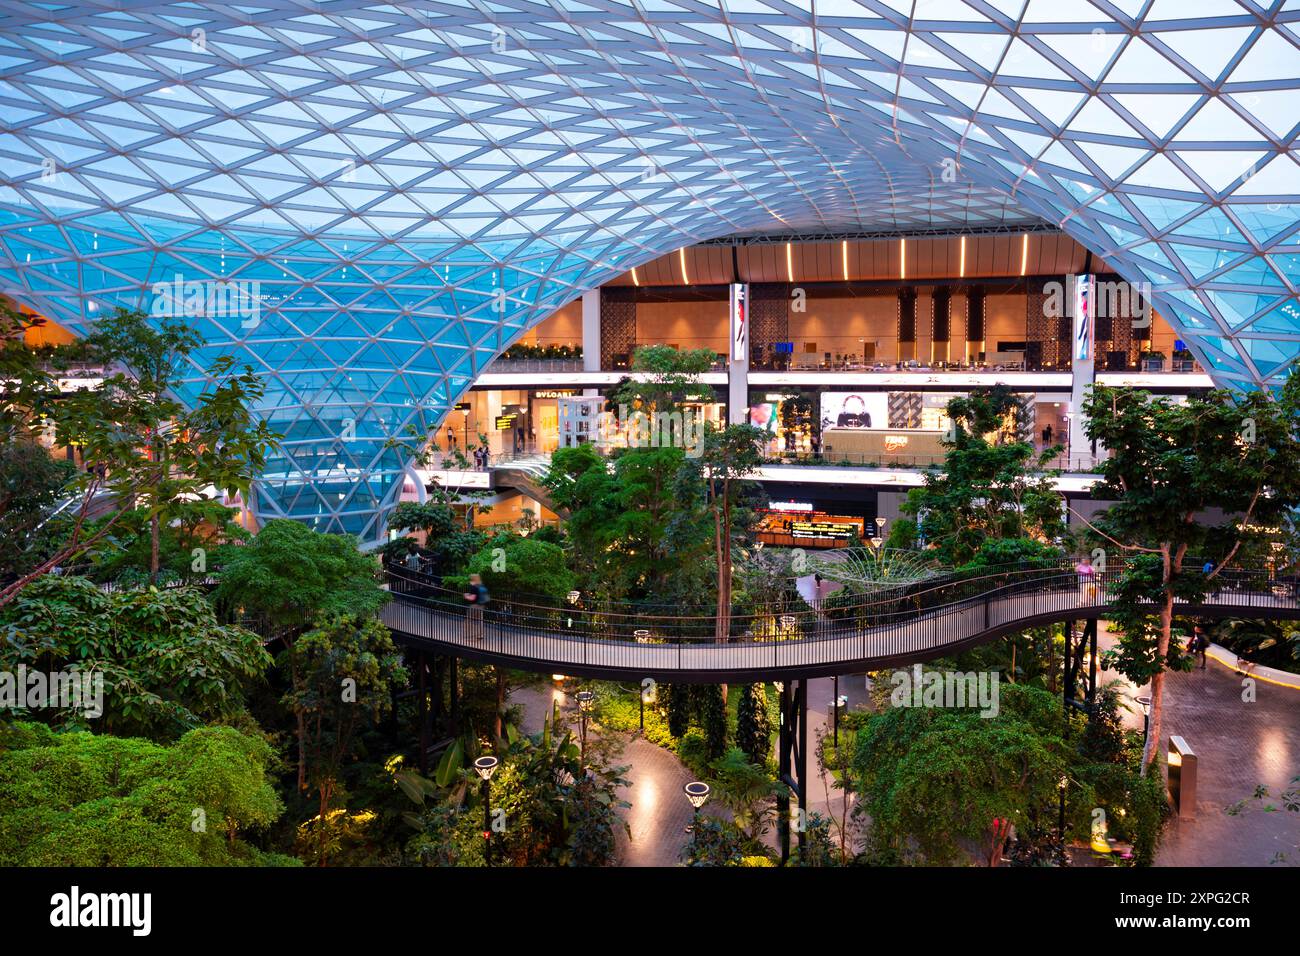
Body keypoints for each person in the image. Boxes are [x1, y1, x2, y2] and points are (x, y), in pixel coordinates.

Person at [463, 573, 489, 641]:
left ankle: (470, 636)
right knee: (479, 621)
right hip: (481, 605)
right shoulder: (480, 585)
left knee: (468, 621)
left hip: (474, 606)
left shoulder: (473, 586)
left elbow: (473, 598)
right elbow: (476, 594)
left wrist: (466, 596)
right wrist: (469, 594)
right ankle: (480, 635)